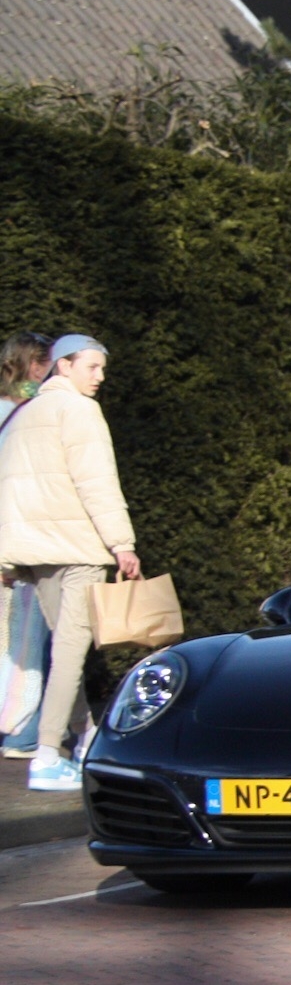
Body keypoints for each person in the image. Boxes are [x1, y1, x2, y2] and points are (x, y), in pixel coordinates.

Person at [0, 335, 140, 791]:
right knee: (70, 652)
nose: (99, 377)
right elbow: (97, 481)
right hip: (77, 548)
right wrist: (122, 543)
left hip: (35, 554)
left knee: (66, 651)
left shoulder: (24, 414)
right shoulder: (79, 411)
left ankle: (85, 740)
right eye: (92, 367)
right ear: (64, 366)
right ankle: (45, 756)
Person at [0, 333, 53, 759]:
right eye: (37, 364)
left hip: (22, 540)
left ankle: (22, 728)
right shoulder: (20, 416)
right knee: (26, 642)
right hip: (21, 544)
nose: (43, 372)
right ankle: (22, 732)